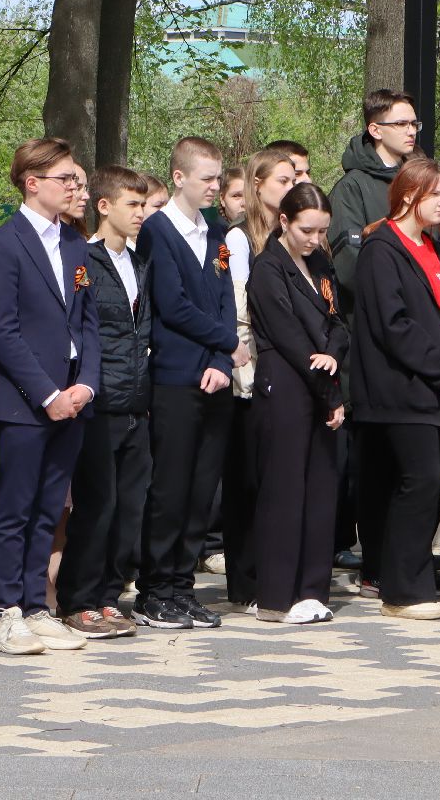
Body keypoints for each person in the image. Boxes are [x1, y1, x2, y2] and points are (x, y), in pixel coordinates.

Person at [0, 137, 101, 654]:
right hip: (25, 401)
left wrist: (85, 384)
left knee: (51, 505)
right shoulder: (4, 243)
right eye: (65, 179)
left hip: (72, 396)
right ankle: (5, 610)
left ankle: (36, 603)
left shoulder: (75, 245)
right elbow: (3, 331)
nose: (75, 187)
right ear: (33, 183)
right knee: (16, 506)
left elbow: (89, 323)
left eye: (76, 178)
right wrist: (47, 392)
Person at [351, 158, 440, 621]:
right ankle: (403, 591)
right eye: (436, 195)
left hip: (434, 390)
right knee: (420, 481)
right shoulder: (381, 248)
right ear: (409, 195)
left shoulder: (438, 249)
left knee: (426, 487)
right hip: (397, 391)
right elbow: (395, 326)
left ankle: (409, 580)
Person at [136, 136, 244, 630]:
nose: (215, 187)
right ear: (179, 177)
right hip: (177, 376)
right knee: (172, 486)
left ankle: (183, 586)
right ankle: (155, 588)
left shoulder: (217, 232)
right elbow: (173, 305)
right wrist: (226, 339)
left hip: (215, 376)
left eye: (219, 178)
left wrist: (223, 358)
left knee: (203, 487)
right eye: (207, 178)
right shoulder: (158, 231)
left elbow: (224, 295)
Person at [57, 166, 154, 638]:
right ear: (103, 206)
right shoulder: (84, 260)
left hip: (138, 402)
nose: (140, 214)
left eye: (143, 205)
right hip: (100, 403)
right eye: (132, 205)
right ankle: (79, 599)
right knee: (98, 504)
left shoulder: (137, 263)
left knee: (129, 507)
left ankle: (109, 596)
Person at [247, 182, 349, 623]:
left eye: (322, 231)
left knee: (321, 489)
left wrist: (334, 356)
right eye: (307, 230)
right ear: (284, 221)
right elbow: (289, 337)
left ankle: (312, 589)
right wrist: (329, 391)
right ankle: (275, 594)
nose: (314, 239)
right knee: (285, 490)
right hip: (287, 384)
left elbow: (339, 323)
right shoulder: (268, 268)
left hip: (323, 378)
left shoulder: (321, 264)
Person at [213, 148, 297, 603]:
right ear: (258, 185)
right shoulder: (240, 238)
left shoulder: (294, 233)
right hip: (251, 366)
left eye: (293, 180)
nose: (289, 188)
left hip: (286, 366)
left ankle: (274, 569)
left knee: (275, 475)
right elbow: (241, 304)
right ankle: (244, 578)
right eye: (281, 181)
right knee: (246, 474)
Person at [328, 88, 418, 316]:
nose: (411, 131)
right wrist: (398, 298)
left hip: (425, 313)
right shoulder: (350, 187)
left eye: (414, 124)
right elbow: (349, 260)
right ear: (375, 130)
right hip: (377, 317)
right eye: (401, 124)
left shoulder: (421, 181)